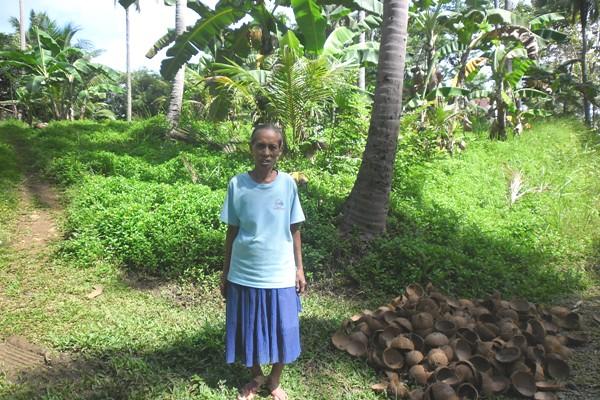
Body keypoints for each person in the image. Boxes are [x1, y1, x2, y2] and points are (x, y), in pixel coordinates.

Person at [220, 123, 307, 400]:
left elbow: (294, 228)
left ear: (280, 150)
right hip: (244, 271)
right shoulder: (237, 184)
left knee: (284, 327)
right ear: (251, 148)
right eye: (261, 146)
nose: (266, 152)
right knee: (248, 327)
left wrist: (299, 268)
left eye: (273, 147)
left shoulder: (287, 184)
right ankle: (256, 375)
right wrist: (225, 271)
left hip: (280, 271)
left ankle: (275, 380)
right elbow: (232, 231)